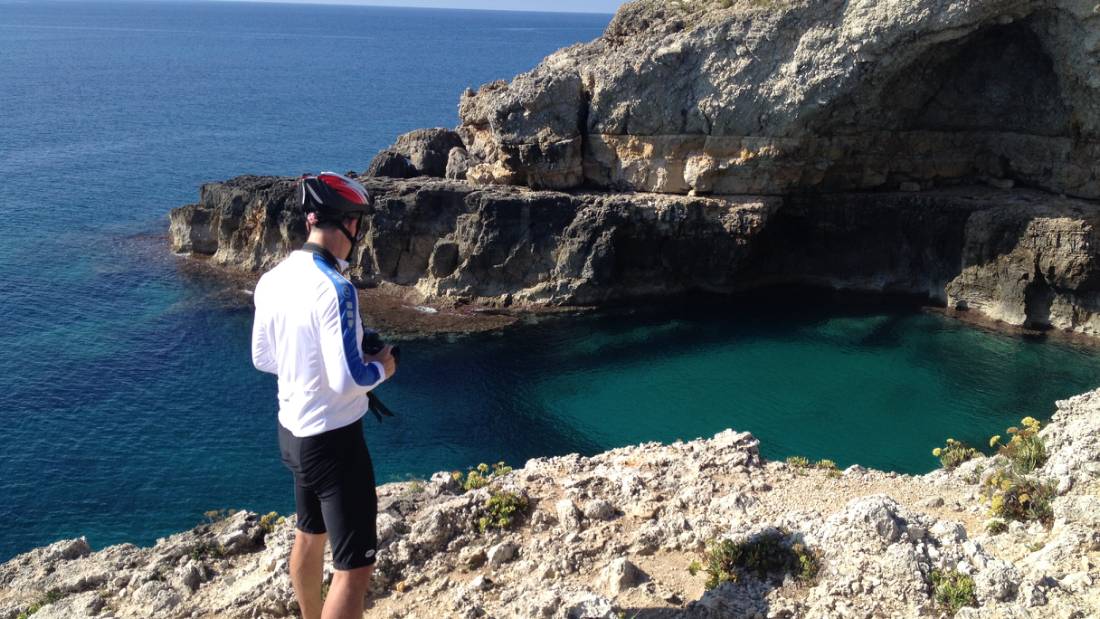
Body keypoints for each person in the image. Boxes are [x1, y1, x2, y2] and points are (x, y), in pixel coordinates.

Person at [251, 172, 397, 619]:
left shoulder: (273, 278)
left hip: (293, 434)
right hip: (335, 444)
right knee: (354, 568)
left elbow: (263, 357)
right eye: (360, 223)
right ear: (348, 224)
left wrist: (308, 368)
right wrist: (384, 367)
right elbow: (350, 380)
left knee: (308, 534)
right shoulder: (337, 288)